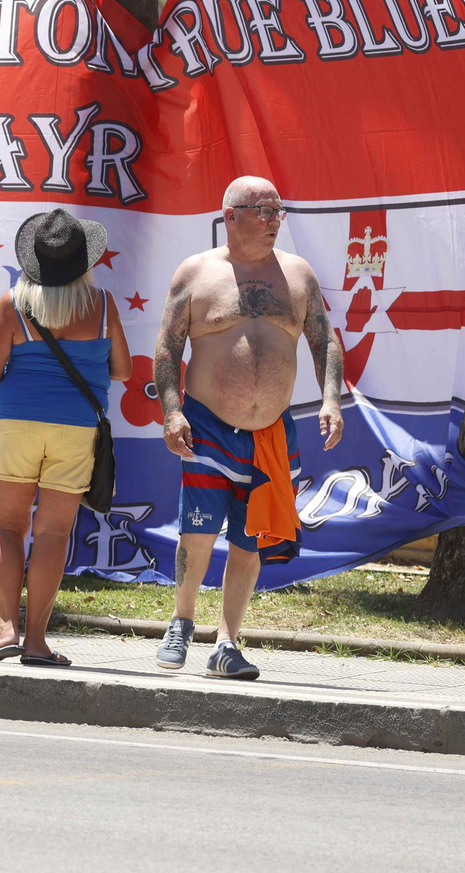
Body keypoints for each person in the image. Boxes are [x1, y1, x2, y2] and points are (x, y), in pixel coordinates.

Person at [153, 176, 344, 679]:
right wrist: (172, 412)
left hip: (271, 433)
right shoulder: (197, 273)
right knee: (198, 534)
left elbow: (324, 340)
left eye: (279, 211)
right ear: (231, 215)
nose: (274, 220)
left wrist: (331, 399)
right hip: (208, 426)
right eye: (263, 210)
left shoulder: (298, 275)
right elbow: (168, 348)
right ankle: (182, 619)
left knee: (251, 538)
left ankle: (227, 642)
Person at [0, 209, 131, 667]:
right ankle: (37, 643)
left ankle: (5, 630)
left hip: (18, 423)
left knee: (7, 524)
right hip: (77, 427)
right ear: (83, 259)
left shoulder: (13, 303)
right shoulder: (102, 304)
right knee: (53, 532)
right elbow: (122, 370)